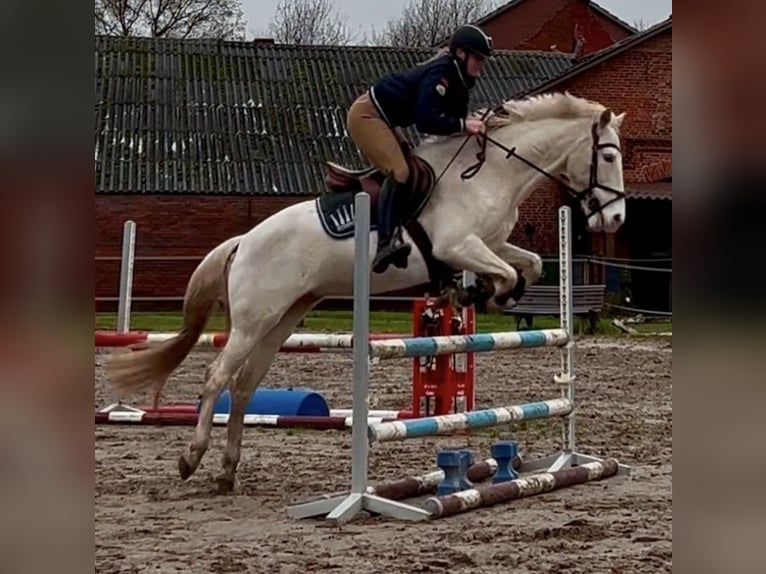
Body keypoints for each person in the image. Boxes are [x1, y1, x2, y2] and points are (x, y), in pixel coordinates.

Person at [346, 24, 493, 273]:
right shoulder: (441, 74)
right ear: (460, 54)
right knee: (400, 171)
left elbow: (456, 122)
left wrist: (474, 127)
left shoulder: (459, 81)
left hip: (388, 120)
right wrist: (464, 125)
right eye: (477, 58)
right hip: (367, 115)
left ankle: (405, 228)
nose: (481, 64)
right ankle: (384, 243)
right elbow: (427, 120)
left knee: (414, 168)